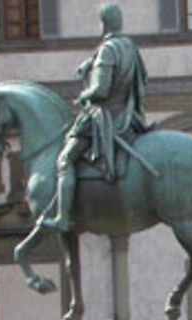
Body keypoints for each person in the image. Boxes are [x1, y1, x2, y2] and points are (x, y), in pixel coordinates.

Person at [40, 3, 148, 231]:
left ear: (103, 24)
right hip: (127, 113)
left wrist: (83, 96)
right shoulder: (128, 46)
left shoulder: (108, 50)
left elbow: (100, 90)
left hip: (106, 116)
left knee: (65, 160)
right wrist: (90, 64)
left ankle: (62, 217)